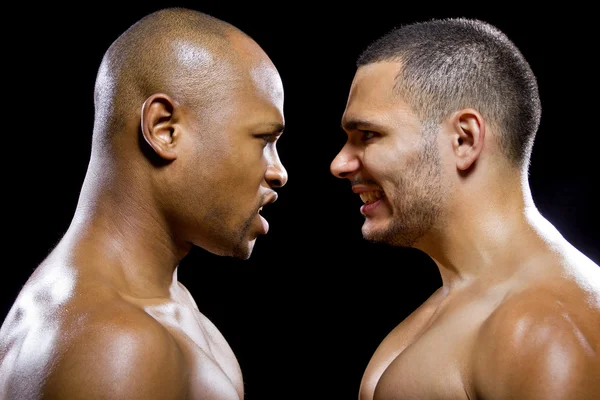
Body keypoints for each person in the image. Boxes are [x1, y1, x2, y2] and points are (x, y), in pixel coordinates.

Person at [0, 7, 287, 400]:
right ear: (164, 129)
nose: (278, 172)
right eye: (263, 139)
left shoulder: (160, 307)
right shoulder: (112, 345)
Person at [330, 17, 599, 400]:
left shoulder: (545, 327)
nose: (339, 164)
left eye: (368, 135)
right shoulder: (454, 307)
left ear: (463, 138)